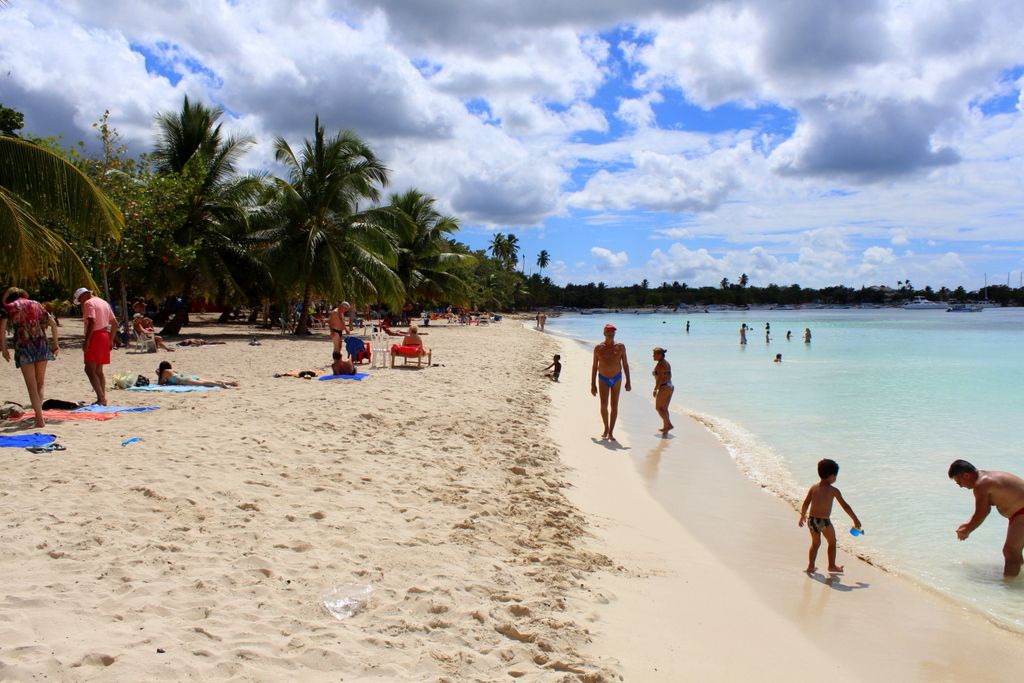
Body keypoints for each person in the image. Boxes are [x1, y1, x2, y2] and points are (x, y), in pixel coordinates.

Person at [948, 460, 1024, 577]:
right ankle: (1016, 581)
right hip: (1018, 513)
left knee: (1010, 552)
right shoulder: (985, 478)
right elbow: (985, 510)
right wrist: (967, 525)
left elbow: (981, 513)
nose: (960, 486)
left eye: (959, 482)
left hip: (1021, 513)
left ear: (966, 475)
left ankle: (1008, 588)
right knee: (1015, 552)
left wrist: (967, 530)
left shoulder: (981, 484)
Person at [1, 287, 60, 427]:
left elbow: (1, 330)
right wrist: (55, 344)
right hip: (41, 345)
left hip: (24, 346)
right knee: (40, 383)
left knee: (31, 385)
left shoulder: (9, 307)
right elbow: (52, 324)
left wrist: (4, 349)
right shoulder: (36, 304)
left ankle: (39, 420)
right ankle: (39, 417)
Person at [799, 458, 862, 573]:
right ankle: (832, 566)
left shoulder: (813, 488)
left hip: (812, 520)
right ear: (831, 475)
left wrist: (802, 516)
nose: (836, 478)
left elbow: (806, 503)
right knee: (832, 542)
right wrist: (855, 520)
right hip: (824, 522)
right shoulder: (834, 490)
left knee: (815, 543)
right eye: (836, 476)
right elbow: (845, 506)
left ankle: (810, 566)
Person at [74, 287, 116, 406]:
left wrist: (86, 341)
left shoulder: (88, 303)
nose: (81, 303)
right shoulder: (103, 302)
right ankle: (103, 397)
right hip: (104, 335)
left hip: (95, 336)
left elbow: (92, 321)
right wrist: (111, 340)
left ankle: (101, 398)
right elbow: (114, 323)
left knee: (89, 369)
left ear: (83, 296)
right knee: (99, 370)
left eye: (80, 300)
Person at [590, 323, 631, 441]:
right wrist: (592, 384)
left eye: (613, 332)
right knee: (603, 405)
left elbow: (625, 364)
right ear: (604, 333)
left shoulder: (621, 347)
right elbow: (594, 366)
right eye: (608, 331)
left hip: (617, 378)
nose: (611, 334)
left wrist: (628, 381)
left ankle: (611, 431)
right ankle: (606, 427)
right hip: (602, 378)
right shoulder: (598, 348)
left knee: (614, 405)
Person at [156, 360, 238, 388]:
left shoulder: (165, 371)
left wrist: (158, 374)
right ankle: (230, 382)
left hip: (183, 380)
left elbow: (161, 383)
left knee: (203, 383)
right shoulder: (172, 371)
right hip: (186, 376)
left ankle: (221, 385)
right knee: (207, 380)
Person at [651, 347, 674, 436]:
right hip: (670, 386)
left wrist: (655, 389)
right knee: (664, 409)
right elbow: (669, 375)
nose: (653, 356)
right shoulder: (666, 363)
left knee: (658, 408)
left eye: (654, 354)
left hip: (664, 387)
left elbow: (659, 378)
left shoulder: (660, 365)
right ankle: (666, 427)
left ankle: (669, 424)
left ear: (660, 355)